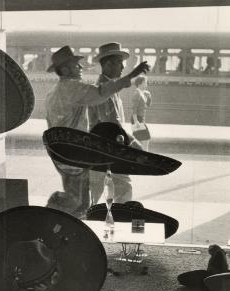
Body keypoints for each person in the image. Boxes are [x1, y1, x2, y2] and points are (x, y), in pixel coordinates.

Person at [44, 45, 149, 218]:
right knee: (79, 201)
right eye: (76, 65)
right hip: (75, 156)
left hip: (65, 155)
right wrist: (131, 75)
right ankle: (49, 218)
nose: (81, 68)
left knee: (81, 199)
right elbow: (100, 94)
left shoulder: (53, 93)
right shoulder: (72, 88)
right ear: (64, 69)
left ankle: (55, 219)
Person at [88, 42, 147, 205]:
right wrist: (135, 145)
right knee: (120, 188)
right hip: (107, 149)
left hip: (108, 148)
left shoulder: (108, 88)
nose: (122, 67)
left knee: (98, 191)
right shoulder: (103, 89)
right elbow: (112, 125)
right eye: (119, 63)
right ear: (107, 64)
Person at [130, 75, 152, 150]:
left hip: (140, 119)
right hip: (137, 119)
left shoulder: (142, 93)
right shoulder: (137, 94)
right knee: (146, 138)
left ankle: (142, 156)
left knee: (139, 140)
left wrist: (149, 96)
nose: (146, 84)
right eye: (145, 83)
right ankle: (145, 156)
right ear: (140, 84)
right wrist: (136, 121)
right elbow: (134, 109)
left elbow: (147, 105)